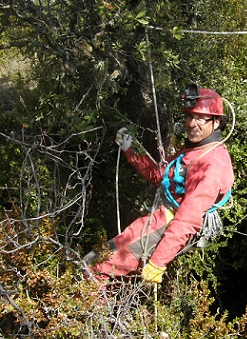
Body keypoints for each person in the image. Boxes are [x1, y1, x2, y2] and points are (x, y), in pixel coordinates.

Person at [87, 84, 234, 285]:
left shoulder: (211, 163)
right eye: (190, 116)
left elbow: (188, 220)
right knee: (99, 260)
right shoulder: (194, 150)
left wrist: (158, 263)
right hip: (162, 220)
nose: (192, 123)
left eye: (201, 118)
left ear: (216, 123)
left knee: (99, 267)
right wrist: (131, 149)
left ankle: (90, 311)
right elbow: (161, 175)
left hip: (168, 224)